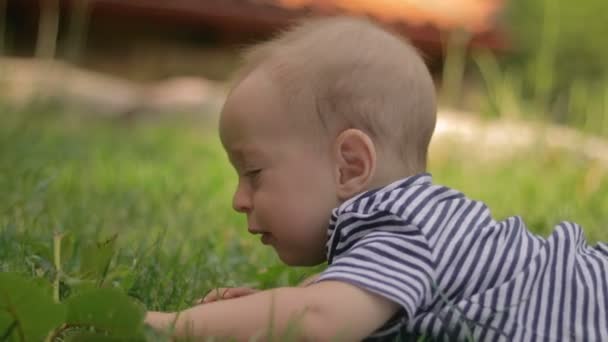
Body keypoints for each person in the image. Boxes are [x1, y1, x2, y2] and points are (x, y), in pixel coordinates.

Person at [145, 16, 608, 341]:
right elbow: (332, 312)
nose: (239, 200)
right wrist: (271, 309)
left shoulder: (401, 226)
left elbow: (319, 323)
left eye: (254, 173)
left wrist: (166, 325)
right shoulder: (401, 230)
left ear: (350, 165)